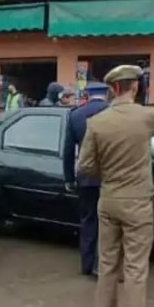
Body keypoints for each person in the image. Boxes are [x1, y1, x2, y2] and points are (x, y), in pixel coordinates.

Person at [77, 66, 154, 307]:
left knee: (107, 265)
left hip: (108, 200)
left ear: (112, 89)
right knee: (134, 269)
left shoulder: (97, 122)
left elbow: (84, 167)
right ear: (134, 86)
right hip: (137, 203)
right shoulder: (145, 116)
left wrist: (107, 173)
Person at [62, 82, 110, 280]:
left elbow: (67, 151)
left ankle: (87, 265)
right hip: (110, 179)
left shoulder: (75, 115)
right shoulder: (113, 113)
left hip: (87, 179)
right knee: (109, 224)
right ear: (107, 94)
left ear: (87, 95)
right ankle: (106, 266)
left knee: (88, 221)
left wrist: (69, 178)